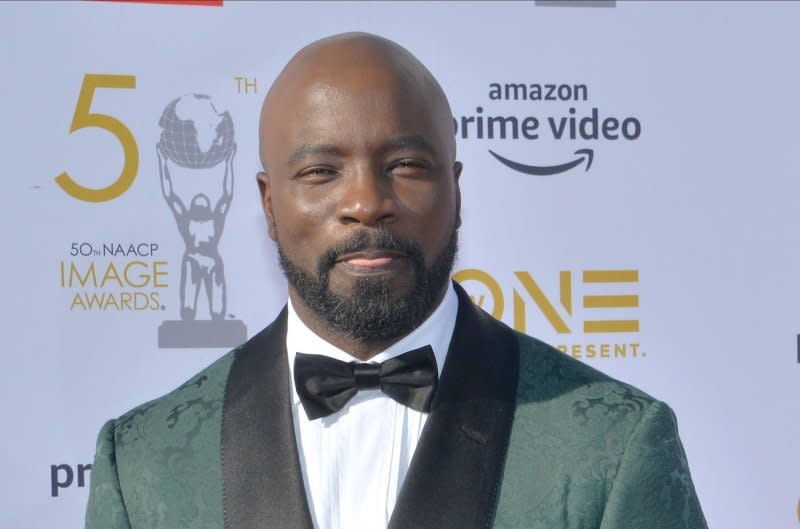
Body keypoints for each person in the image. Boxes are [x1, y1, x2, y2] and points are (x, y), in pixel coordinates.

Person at [85, 33, 707, 529]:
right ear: (268, 205)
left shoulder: (612, 443)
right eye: (322, 171)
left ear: (457, 191)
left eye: (405, 165)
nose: (366, 201)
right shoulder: (142, 467)